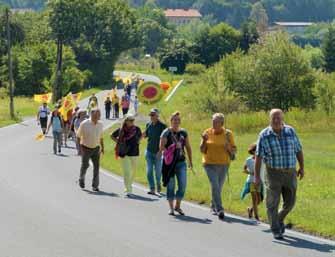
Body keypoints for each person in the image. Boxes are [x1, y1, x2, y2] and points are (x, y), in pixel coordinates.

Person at [255, 109, 304, 240]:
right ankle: (275, 229)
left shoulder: (290, 131)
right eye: (273, 118)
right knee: (272, 203)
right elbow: (258, 156)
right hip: (273, 173)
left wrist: (302, 167)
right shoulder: (264, 135)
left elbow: (298, 149)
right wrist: (256, 176)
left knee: (290, 202)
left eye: (278, 118)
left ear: (283, 118)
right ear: (270, 119)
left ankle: (279, 218)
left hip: (290, 172)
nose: (276, 120)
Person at [200, 113, 237, 220]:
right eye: (213, 121)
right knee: (215, 185)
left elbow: (234, 150)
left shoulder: (228, 134)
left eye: (216, 122)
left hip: (223, 165)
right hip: (209, 164)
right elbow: (202, 150)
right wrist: (204, 140)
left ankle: (213, 205)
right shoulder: (207, 132)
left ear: (222, 123)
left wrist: (228, 147)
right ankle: (220, 209)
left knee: (218, 188)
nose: (213, 123)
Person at [159, 112, 193, 216]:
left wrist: (190, 161)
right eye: (174, 120)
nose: (176, 122)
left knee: (182, 186)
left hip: (181, 163)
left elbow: (188, 147)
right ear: (171, 121)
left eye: (178, 120)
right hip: (169, 164)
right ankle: (171, 208)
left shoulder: (183, 132)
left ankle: (177, 206)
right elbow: (161, 147)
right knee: (171, 186)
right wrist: (172, 147)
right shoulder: (166, 132)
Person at [111, 114, 142, 197]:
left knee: (133, 172)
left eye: (133, 120)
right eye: (130, 120)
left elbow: (140, 137)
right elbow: (112, 136)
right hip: (124, 153)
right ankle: (128, 190)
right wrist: (119, 142)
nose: (132, 122)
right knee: (127, 172)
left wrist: (139, 141)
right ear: (126, 121)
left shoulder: (137, 129)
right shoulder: (121, 130)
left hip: (135, 153)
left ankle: (129, 185)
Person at [77, 108, 104, 192]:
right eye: (97, 115)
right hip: (85, 148)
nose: (98, 117)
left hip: (96, 148)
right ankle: (81, 178)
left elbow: (101, 137)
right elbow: (78, 136)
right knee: (85, 166)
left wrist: (103, 147)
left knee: (96, 167)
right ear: (92, 114)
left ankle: (95, 186)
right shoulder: (84, 124)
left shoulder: (100, 124)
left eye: (99, 115)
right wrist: (79, 149)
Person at [143, 108, 167, 195]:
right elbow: (145, 135)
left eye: (153, 115)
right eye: (150, 115)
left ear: (157, 115)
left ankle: (158, 185)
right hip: (149, 151)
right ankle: (152, 188)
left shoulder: (162, 126)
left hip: (158, 153)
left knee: (158, 172)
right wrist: (140, 136)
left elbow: (165, 139)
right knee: (149, 171)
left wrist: (161, 151)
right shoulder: (148, 125)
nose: (151, 117)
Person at [242, 143, 262, 221]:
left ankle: (250, 209)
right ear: (252, 151)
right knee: (254, 198)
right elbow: (244, 170)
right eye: (255, 150)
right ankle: (256, 217)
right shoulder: (248, 160)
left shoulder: (261, 159)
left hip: (259, 181)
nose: (257, 152)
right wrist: (251, 173)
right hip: (251, 180)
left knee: (259, 200)